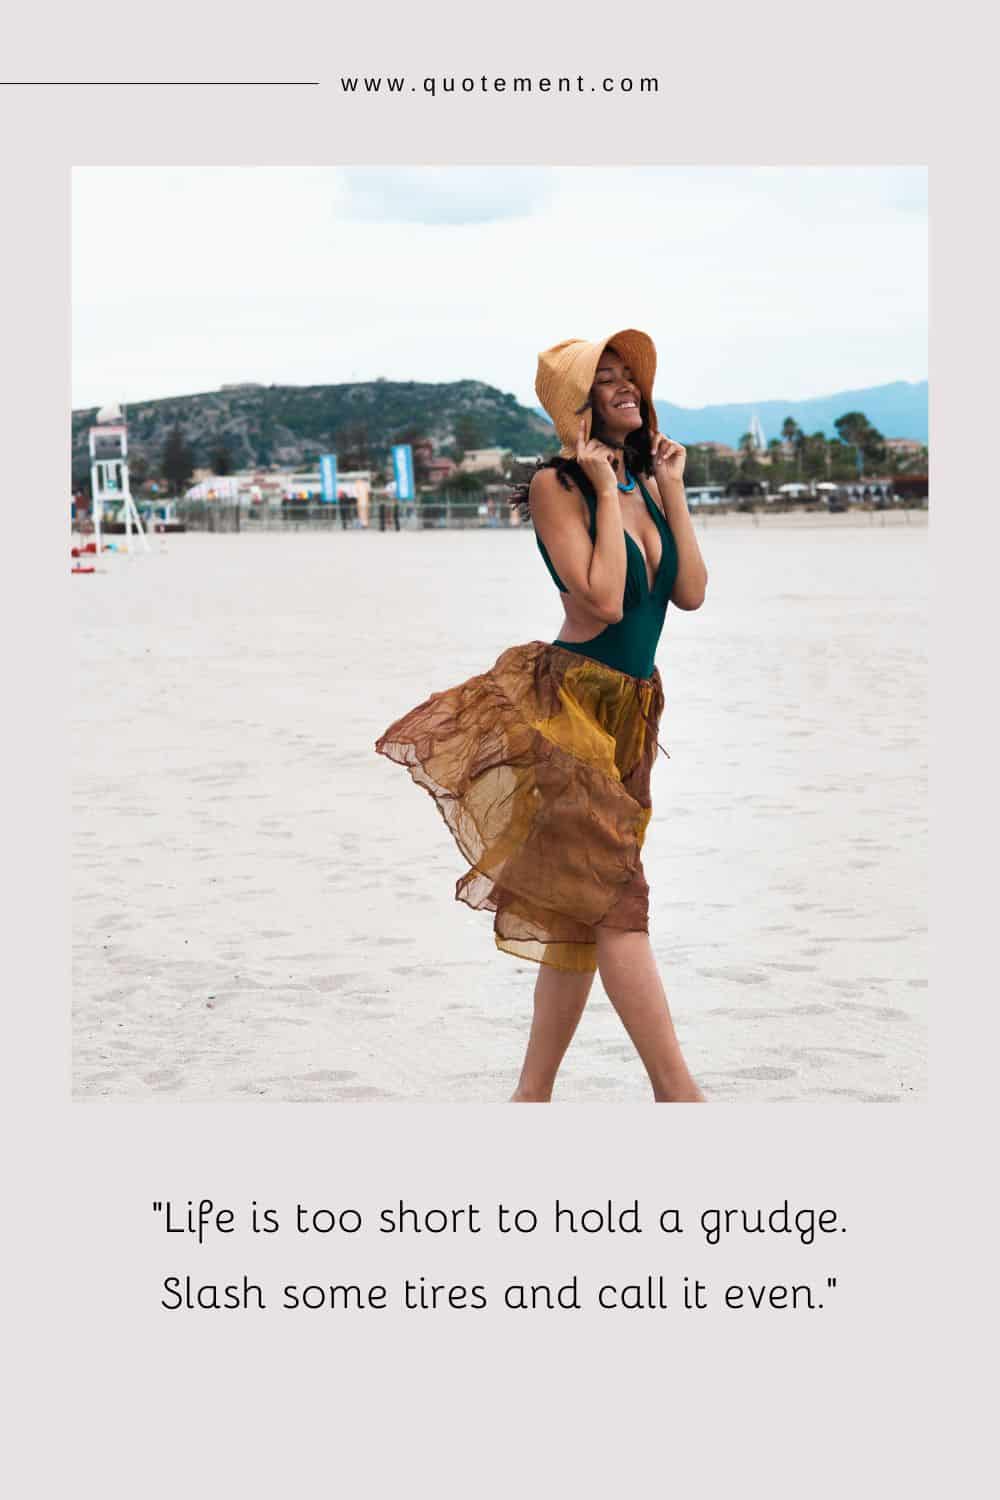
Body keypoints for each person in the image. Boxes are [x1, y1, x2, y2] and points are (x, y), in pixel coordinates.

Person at [374, 329, 709, 1102]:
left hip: (631, 711)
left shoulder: (645, 481)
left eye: (632, 377)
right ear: (578, 405)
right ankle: (679, 1096)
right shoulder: (560, 485)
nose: (627, 386)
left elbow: (687, 593)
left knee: (584, 908)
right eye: (607, 379)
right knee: (619, 901)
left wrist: (673, 491)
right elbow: (603, 599)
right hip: (567, 709)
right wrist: (597, 490)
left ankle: (530, 1100)